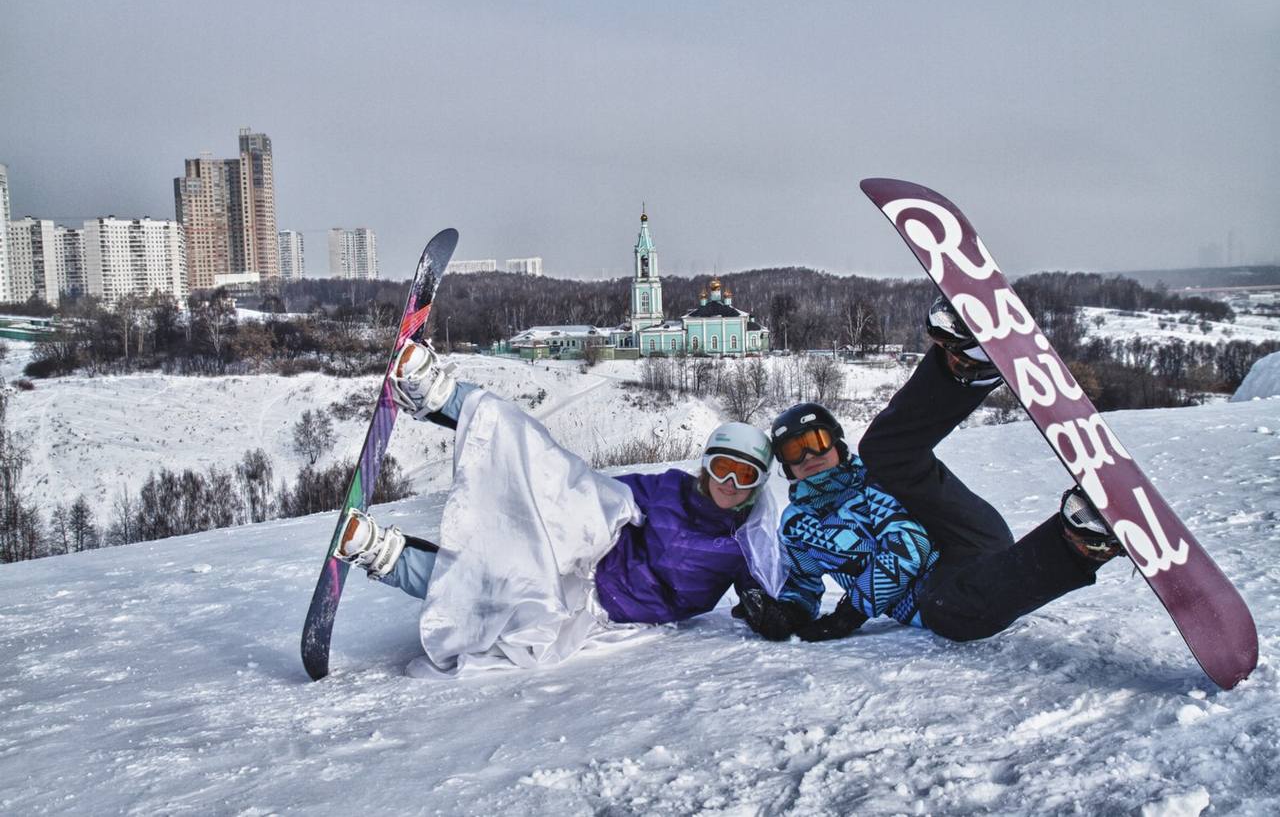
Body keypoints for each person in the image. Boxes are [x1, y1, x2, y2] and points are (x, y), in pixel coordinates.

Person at [335, 339, 779, 675]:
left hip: (596, 609)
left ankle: (387, 557)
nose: (729, 484)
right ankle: (437, 396)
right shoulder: (672, 489)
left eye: (745, 476)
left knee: (496, 592)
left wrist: (770, 609)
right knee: (546, 465)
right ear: (705, 466)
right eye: (723, 467)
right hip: (593, 550)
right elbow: (603, 495)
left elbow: (771, 590)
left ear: (758, 485)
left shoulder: (743, 546)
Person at [737, 297, 1123, 643]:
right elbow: (803, 583)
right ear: (786, 466)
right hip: (952, 585)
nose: (808, 456)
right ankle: (1083, 537)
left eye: (816, 441)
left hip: (960, 534)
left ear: (836, 444)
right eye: (794, 450)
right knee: (948, 611)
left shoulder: (871, 483)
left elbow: (910, 547)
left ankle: (969, 363)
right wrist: (783, 615)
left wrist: (852, 611)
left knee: (882, 452)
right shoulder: (796, 525)